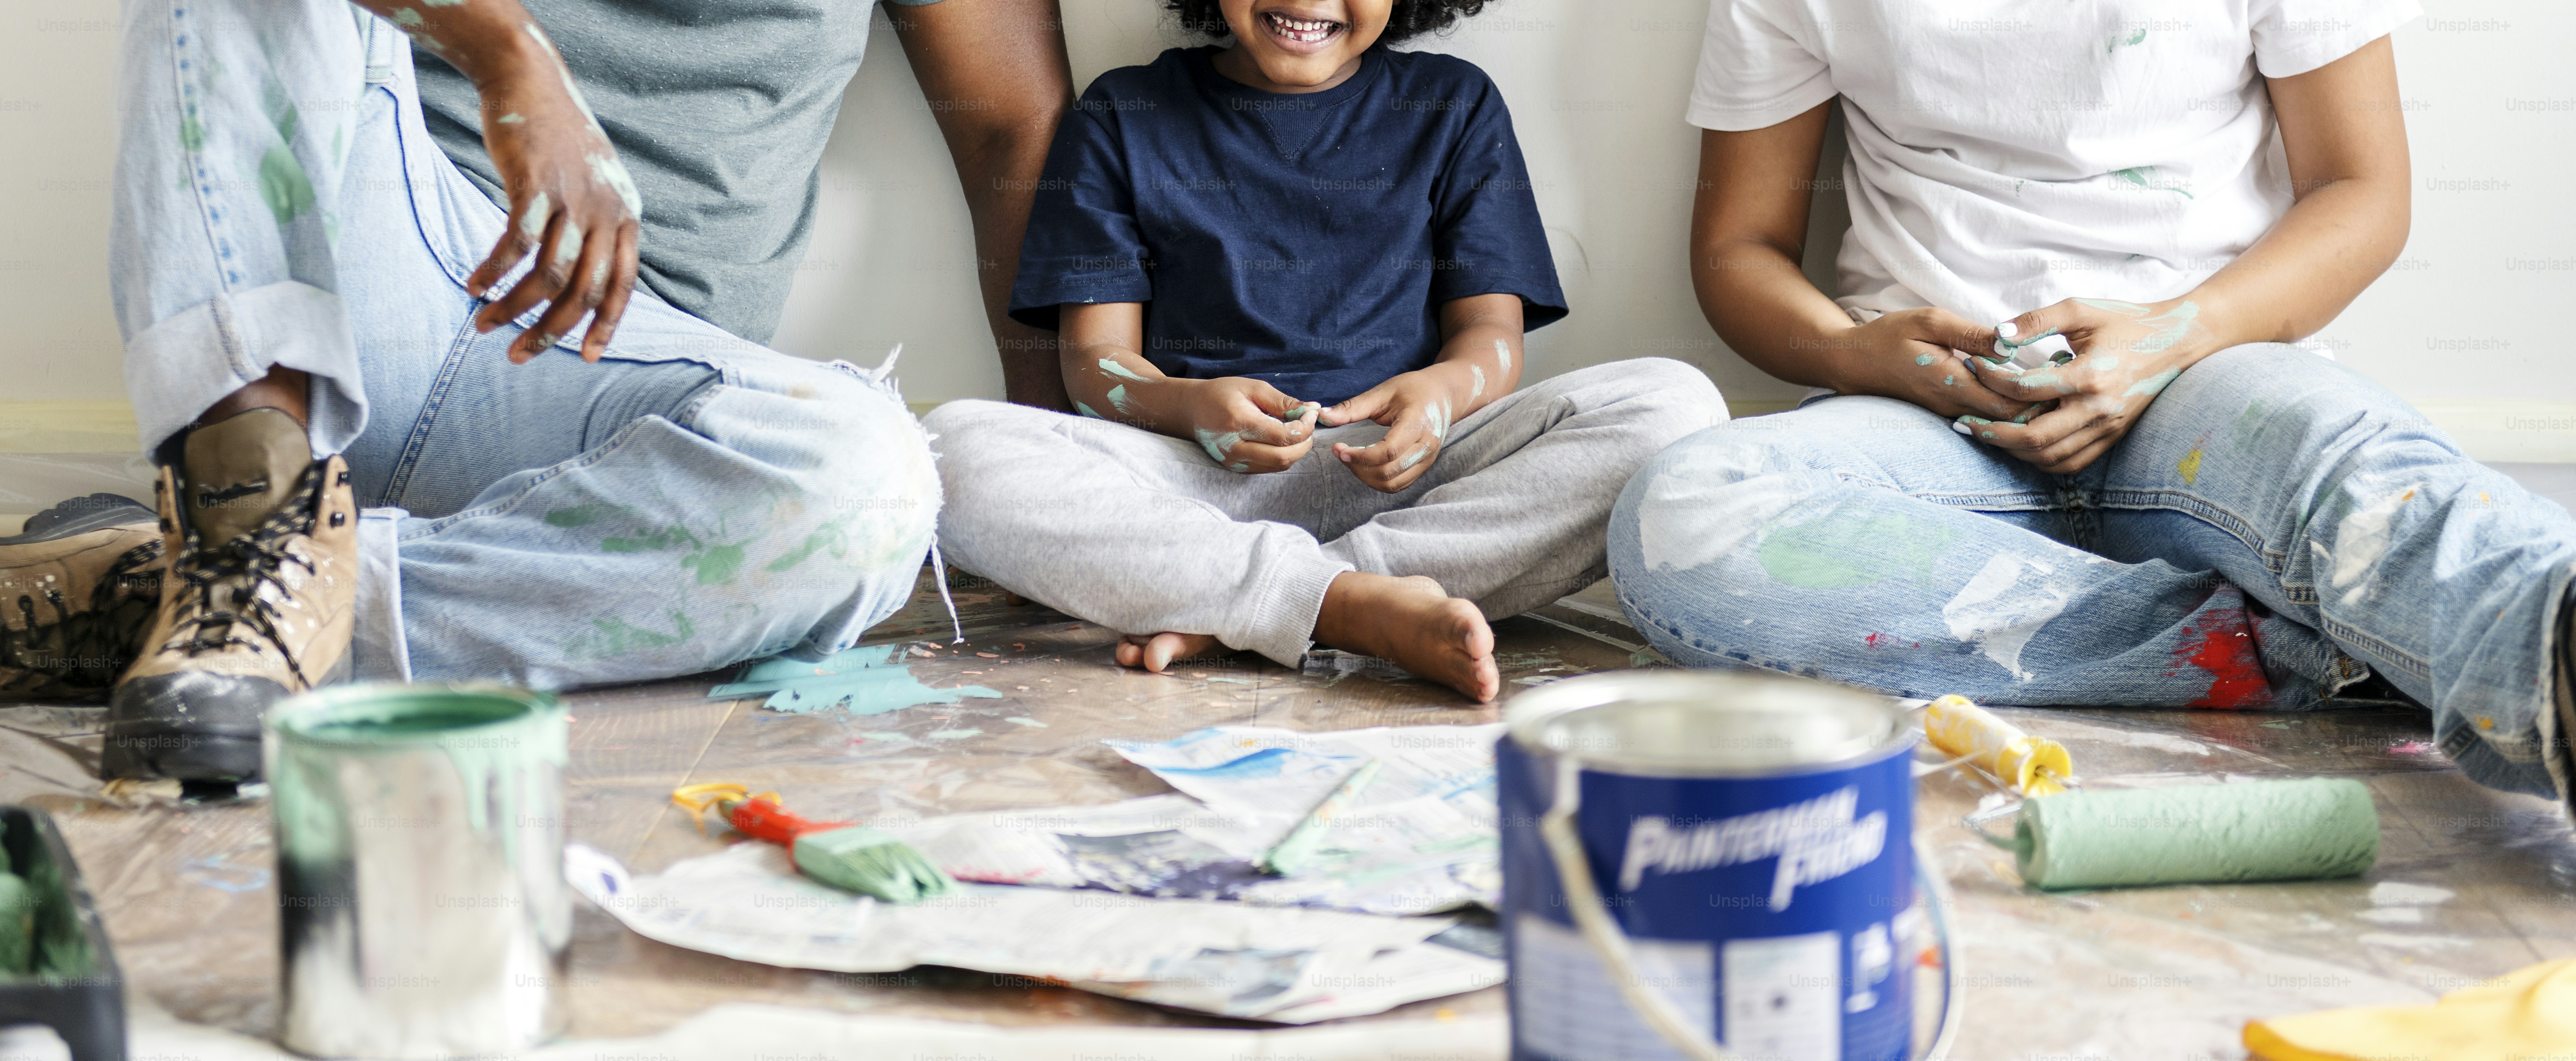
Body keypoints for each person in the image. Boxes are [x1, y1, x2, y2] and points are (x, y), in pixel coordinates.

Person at [0, 0, 1072, 784]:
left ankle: (210, 590)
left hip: (627, 397)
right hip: (371, 283)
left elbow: (1011, 129)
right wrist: (506, 49)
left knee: (866, 487)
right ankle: (249, 517)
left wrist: (1052, 477)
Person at [1609, 0, 2576, 812]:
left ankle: (2547, 650)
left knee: (2361, 474)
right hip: (1927, 421)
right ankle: (2292, 650)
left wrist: (2173, 334)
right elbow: (1738, 245)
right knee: (1682, 509)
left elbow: (2362, 190)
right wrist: (1855, 352)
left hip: (2209, 378)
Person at [925, 0, 1722, 702]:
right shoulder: (1123, 112)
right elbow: (1094, 363)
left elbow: (1492, 336)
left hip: (1403, 478)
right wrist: (1184, 402)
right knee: (948, 450)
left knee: (1672, 406)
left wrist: (1441, 392)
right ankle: (1344, 606)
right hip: (1191, 482)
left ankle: (1267, 602)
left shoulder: (1453, 103)